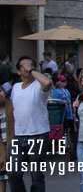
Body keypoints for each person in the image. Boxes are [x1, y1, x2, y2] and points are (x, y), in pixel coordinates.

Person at [8, 55, 53, 192]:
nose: (28, 67)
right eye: (25, 65)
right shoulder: (15, 87)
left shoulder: (39, 85)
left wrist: (32, 69)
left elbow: (47, 83)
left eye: (31, 64)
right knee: (13, 172)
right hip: (19, 136)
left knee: (36, 175)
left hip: (38, 135)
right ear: (18, 71)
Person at [0, 87, 14, 192]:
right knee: (1, 180)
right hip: (0, 150)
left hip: (12, 145)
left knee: (15, 178)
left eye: (0, 91)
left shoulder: (12, 106)